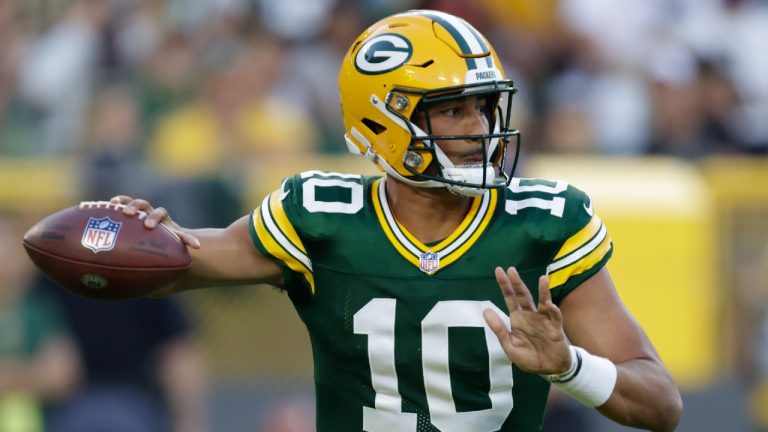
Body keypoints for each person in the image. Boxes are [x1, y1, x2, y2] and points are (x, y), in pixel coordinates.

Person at [110, 9, 682, 431]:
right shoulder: (321, 217)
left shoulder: (544, 224)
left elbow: (661, 404)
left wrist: (571, 366)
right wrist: (131, 233)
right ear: (383, 122)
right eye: (453, 110)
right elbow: (174, 263)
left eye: (483, 106)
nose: (479, 128)